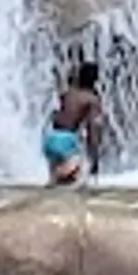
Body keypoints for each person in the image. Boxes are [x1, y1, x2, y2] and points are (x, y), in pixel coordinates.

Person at [42, 57, 104, 187]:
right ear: (96, 80)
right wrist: (95, 158)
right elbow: (92, 130)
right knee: (78, 185)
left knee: (55, 184)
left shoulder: (67, 93)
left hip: (50, 138)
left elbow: (56, 114)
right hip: (66, 140)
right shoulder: (91, 100)